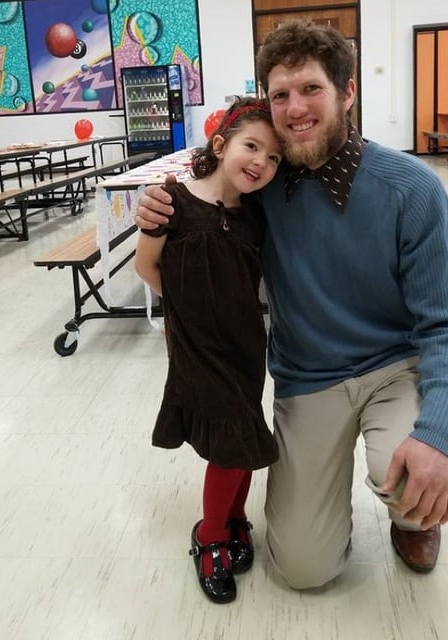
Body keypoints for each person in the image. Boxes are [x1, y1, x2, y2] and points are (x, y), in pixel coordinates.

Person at [135, 20, 448, 590]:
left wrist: (442, 435)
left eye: (311, 89)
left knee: (410, 468)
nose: (294, 108)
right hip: (309, 379)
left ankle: (409, 514)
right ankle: (334, 511)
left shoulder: (411, 189)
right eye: (280, 95)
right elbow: (208, 194)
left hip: (393, 369)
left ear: (348, 93)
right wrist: (159, 210)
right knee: (302, 569)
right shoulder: (263, 185)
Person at [134, 97, 283, 604]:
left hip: (244, 346)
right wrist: (179, 316)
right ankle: (211, 537)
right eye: (251, 146)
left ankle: (237, 518)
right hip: (198, 350)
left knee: (240, 434)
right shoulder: (173, 202)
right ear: (221, 146)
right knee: (228, 441)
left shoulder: (255, 216)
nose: (261, 162)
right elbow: (146, 267)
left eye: (273, 157)